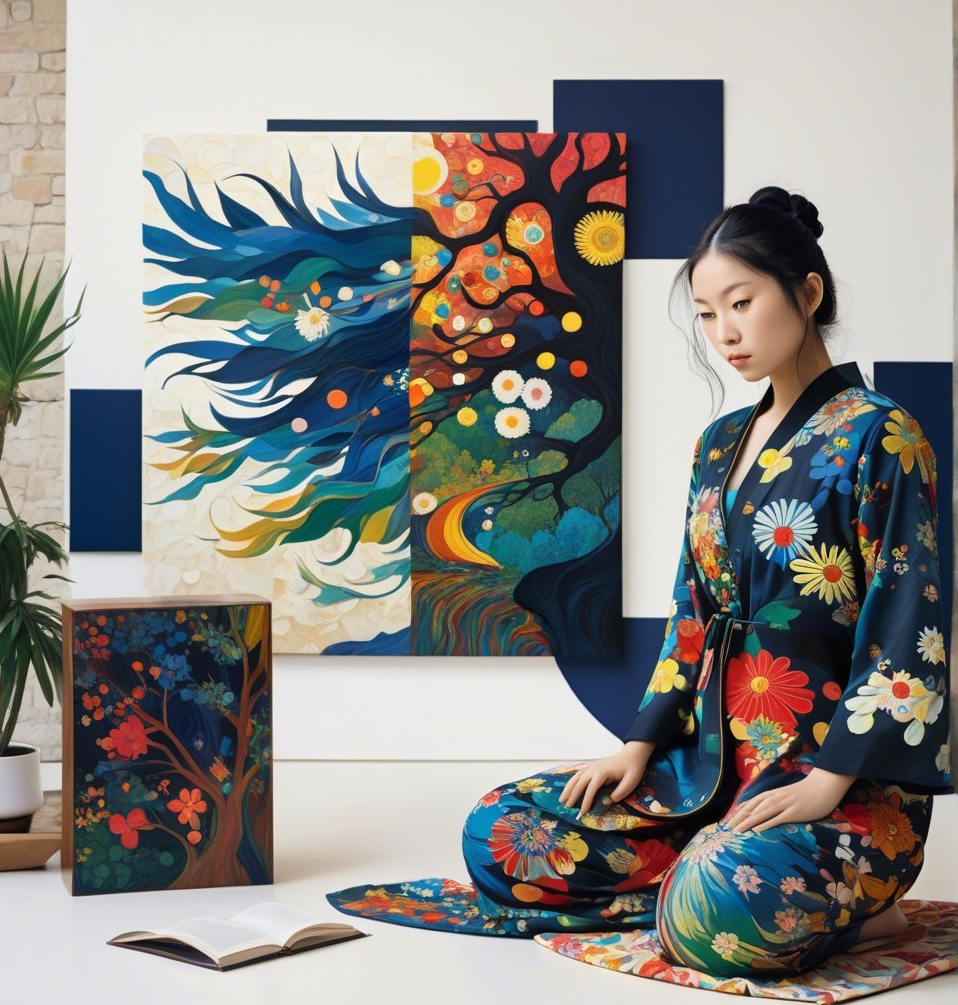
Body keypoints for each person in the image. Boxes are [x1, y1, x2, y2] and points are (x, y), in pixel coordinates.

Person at [327, 186, 954, 977]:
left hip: (837, 786)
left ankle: (838, 910)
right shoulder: (719, 442)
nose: (724, 332)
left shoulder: (881, 433)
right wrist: (639, 744)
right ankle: (694, 877)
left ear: (808, 293)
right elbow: (691, 612)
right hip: (702, 772)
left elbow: (910, 621)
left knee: (718, 902)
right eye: (705, 312)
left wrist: (830, 781)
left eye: (742, 302)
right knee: (505, 831)